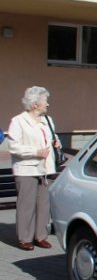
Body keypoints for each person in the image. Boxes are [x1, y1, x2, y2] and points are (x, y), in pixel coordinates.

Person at [7, 86, 59, 251]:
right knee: (27, 205)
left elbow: (54, 137)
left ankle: (40, 236)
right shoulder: (18, 121)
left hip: (45, 169)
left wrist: (57, 142)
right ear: (35, 104)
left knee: (44, 205)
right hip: (26, 169)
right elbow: (13, 146)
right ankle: (25, 238)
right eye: (45, 101)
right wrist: (35, 152)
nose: (48, 105)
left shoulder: (48, 120)